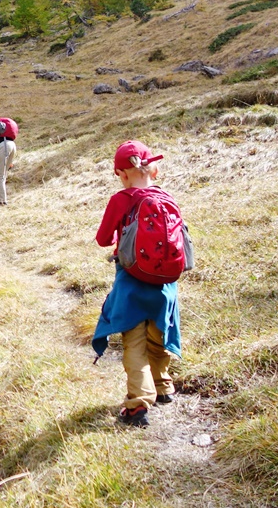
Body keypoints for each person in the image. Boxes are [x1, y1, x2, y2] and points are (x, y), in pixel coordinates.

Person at [91, 140, 181, 428]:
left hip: (131, 279)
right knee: (159, 335)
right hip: (165, 282)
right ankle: (164, 387)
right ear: (151, 169)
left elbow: (103, 239)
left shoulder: (121, 199)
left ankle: (138, 405)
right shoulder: (166, 196)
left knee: (135, 342)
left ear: (122, 173)